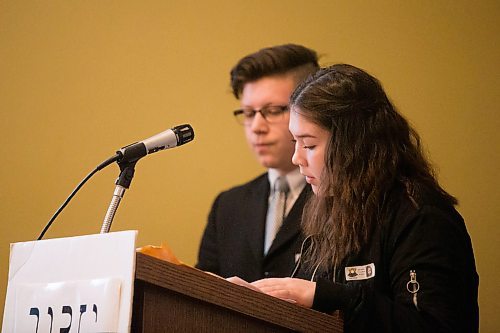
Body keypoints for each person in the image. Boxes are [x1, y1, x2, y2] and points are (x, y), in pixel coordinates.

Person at [229, 64, 479, 332]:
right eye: (296, 143)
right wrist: (252, 301)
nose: (296, 158)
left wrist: (324, 295)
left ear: (353, 145)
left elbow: (432, 325)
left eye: (309, 145)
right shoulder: (330, 208)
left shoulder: (421, 217)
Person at [196, 44, 320, 282]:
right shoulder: (227, 206)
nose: (257, 128)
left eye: (273, 110)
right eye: (249, 113)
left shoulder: (342, 196)